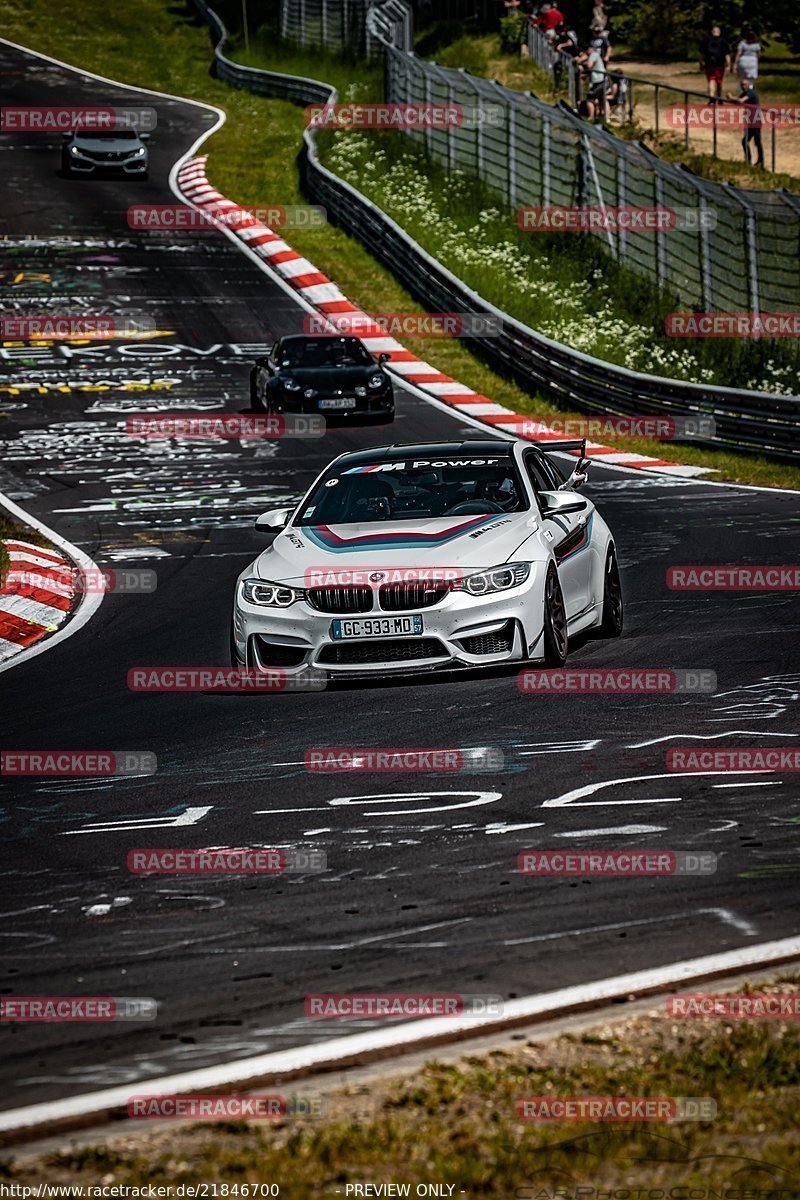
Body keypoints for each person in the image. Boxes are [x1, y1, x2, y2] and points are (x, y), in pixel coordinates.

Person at [727, 76, 765, 167]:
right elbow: (737, 102)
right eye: (742, 85)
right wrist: (730, 99)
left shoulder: (750, 93)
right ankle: (749, 159)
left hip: (756, 120)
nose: (743, 86)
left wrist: (731, 97)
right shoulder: (745, 93)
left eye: (745, 85)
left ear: (748, 85)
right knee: (745, 141)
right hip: (749, 120)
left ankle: (761, 161)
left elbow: (740, 101)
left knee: (757, 141)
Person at [699, 24, 730, 98]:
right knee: (719, 82)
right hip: (720, 64)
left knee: (711, 80)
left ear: (712, 32)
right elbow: (727, 54)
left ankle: (711, 97)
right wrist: (728, 65)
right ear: (719, 32)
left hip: (709, 64)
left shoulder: (706, 41)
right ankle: (719, 97)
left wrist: (701, 63)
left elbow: (701, 54)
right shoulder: (723, 42)